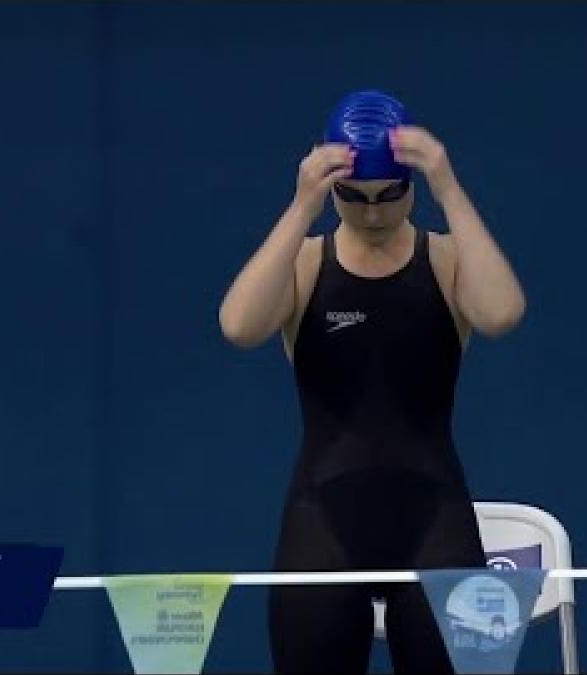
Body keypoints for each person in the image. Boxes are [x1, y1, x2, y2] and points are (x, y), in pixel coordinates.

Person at [218, 90, 526, 674]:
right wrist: (300, 207)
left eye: (390, 194)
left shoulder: (446, 259)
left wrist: (449, 187)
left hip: (436, 520)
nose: (374, 212)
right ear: (332, 191)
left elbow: (502, 313)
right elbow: (238, 326)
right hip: (322, 523)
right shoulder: (307, 264)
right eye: (354, 198)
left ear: (411, 185)